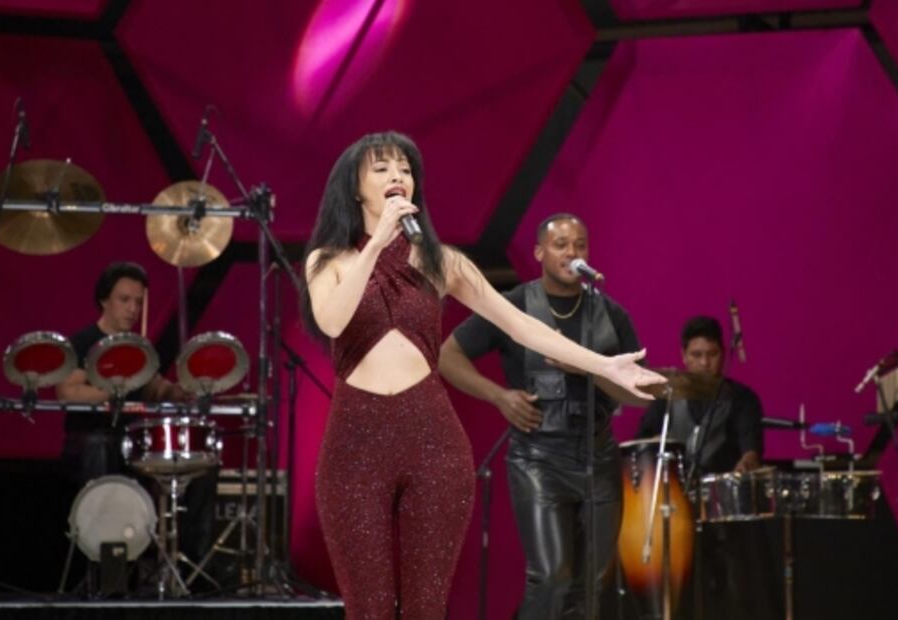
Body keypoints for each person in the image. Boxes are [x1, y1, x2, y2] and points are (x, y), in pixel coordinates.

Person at [300, 132, 665, 619]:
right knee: (369, 608)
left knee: (426, 607)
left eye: (405, 169)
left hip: (432, 440)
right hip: (355, 444)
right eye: (382, 168)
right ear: (354, 188)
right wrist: (376, 245)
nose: (397, 176)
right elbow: (332, 322)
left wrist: (603, 364)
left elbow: (521, 325)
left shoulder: (442, 261)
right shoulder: (328, 260)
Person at [438, 213, 645, 619]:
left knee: (593, 583)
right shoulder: (514, 305)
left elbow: (640, 395)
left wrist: (586, 368)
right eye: (561, 245)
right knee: (552, 577)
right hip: (538, 457)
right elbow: (447, 355)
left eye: (580, 245)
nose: (572, 253)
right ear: (539, 253)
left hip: (599, 456)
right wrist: (499, 396)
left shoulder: (610, 314)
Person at [56, 261, 215, 573]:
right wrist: (114, 389)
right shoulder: (84, 342)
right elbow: (68, 392)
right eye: (125, 300)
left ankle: (188, 566)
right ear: (104, 300)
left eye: (138, 302)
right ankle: (104, 567)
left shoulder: (140, 348)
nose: (133, 309)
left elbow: (156, 388)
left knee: (199, 466)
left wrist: (178, 391)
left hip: (134, 444)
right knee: (101, 447)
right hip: (91, 441)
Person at [637, 315, 763, 475]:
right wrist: (653, 446)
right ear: (684, 355)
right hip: (674, 485)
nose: (705, 363)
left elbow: (751, 451)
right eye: (696, 355)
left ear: (723, 354)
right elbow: (641, 446)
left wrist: (747, 463)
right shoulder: (667, 396)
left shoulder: (743, 399)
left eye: (712, 354)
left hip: (721, 485)